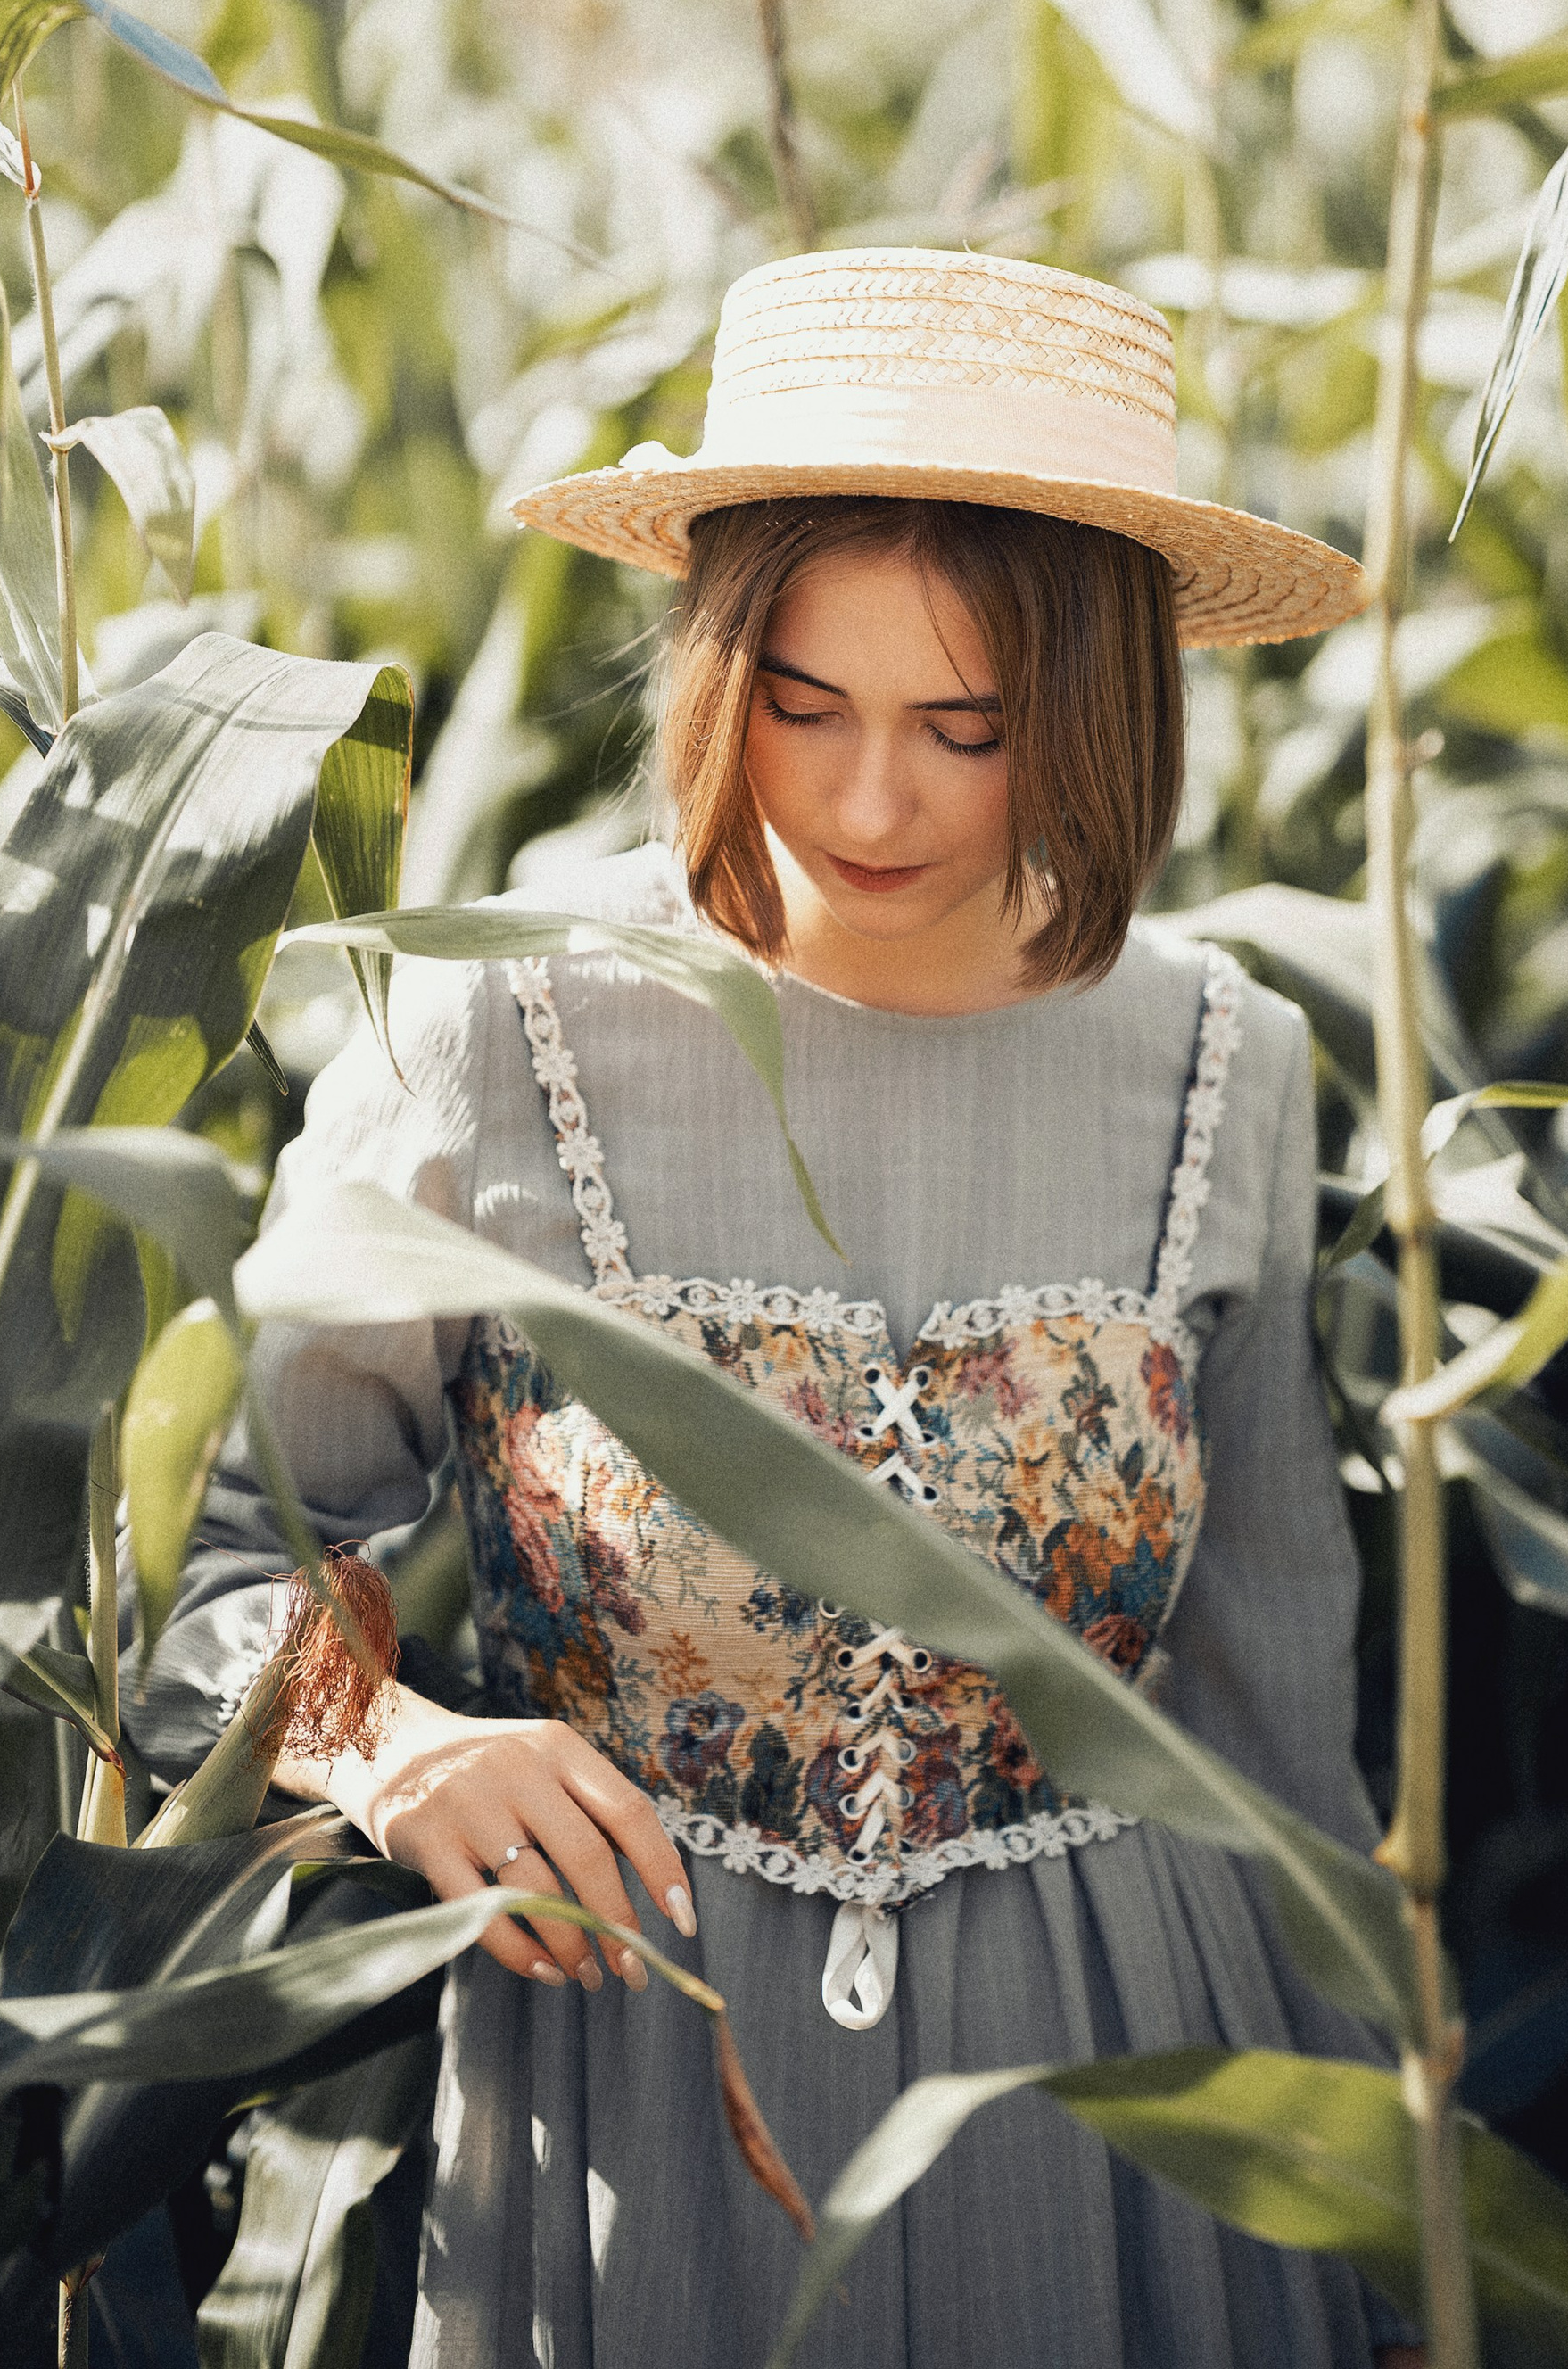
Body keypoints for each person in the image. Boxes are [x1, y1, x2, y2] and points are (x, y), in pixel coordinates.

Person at [134, 246, 1424, 2369]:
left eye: (966, 726)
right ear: (718, 666)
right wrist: (394, 1736)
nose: (864, 803)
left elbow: (1274, 1714)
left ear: (1101, 706)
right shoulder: (502, 1017)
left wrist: (1370, 2233)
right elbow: (205, 1541)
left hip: (1127, 2114)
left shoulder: (1228, 1062)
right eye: (802, 707)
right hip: (632, 2105)